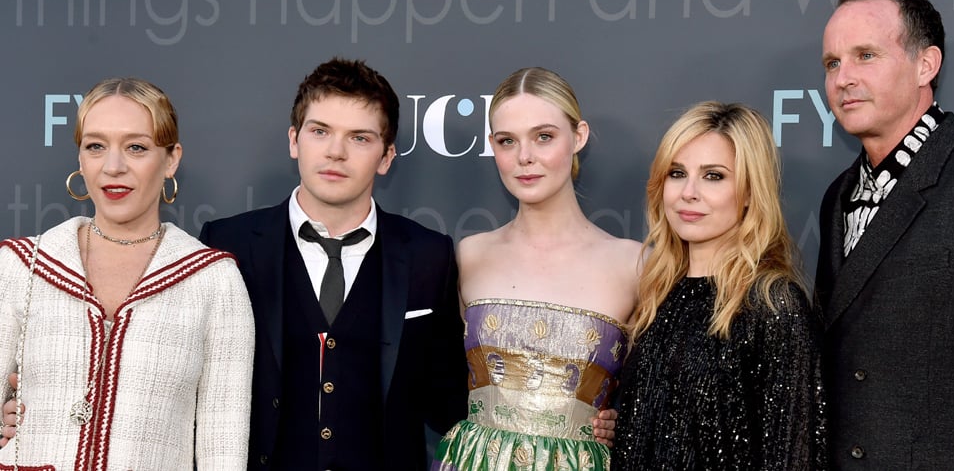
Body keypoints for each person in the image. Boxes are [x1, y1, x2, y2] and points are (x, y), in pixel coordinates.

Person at [197, 57, 470, 470]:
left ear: (386, 157)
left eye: (359, 138)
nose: (335, 152)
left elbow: (451, 402)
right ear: (294, 140)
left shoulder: (428, 254)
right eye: (320, 131)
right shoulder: (226, 244)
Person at [0, 77, 254, 469]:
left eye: (136, 147)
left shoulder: (213, 280)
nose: (113, 167)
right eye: (95, 146)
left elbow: (224, 449)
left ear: (171, 159)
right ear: (80, 160)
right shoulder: (22, 265)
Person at [814, 0, 954, 469]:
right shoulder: (837, 196)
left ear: (926, 65)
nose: (843, 79)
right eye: (832, 63)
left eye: (866, 55)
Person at [431, 67, 641, 470]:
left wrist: (625, 423)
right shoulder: (469, 255)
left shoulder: (633, 264)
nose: (524, 157)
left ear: (578, 137)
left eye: (544, 136)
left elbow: (654, 397)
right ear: (493, 146)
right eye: (507, 141)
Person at [613, 101, 827, 470]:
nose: (689, 192)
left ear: (750, 192)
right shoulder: (658, 294)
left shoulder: (772, 304)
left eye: (713, 176)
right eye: (677, 173)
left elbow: (791, 453)